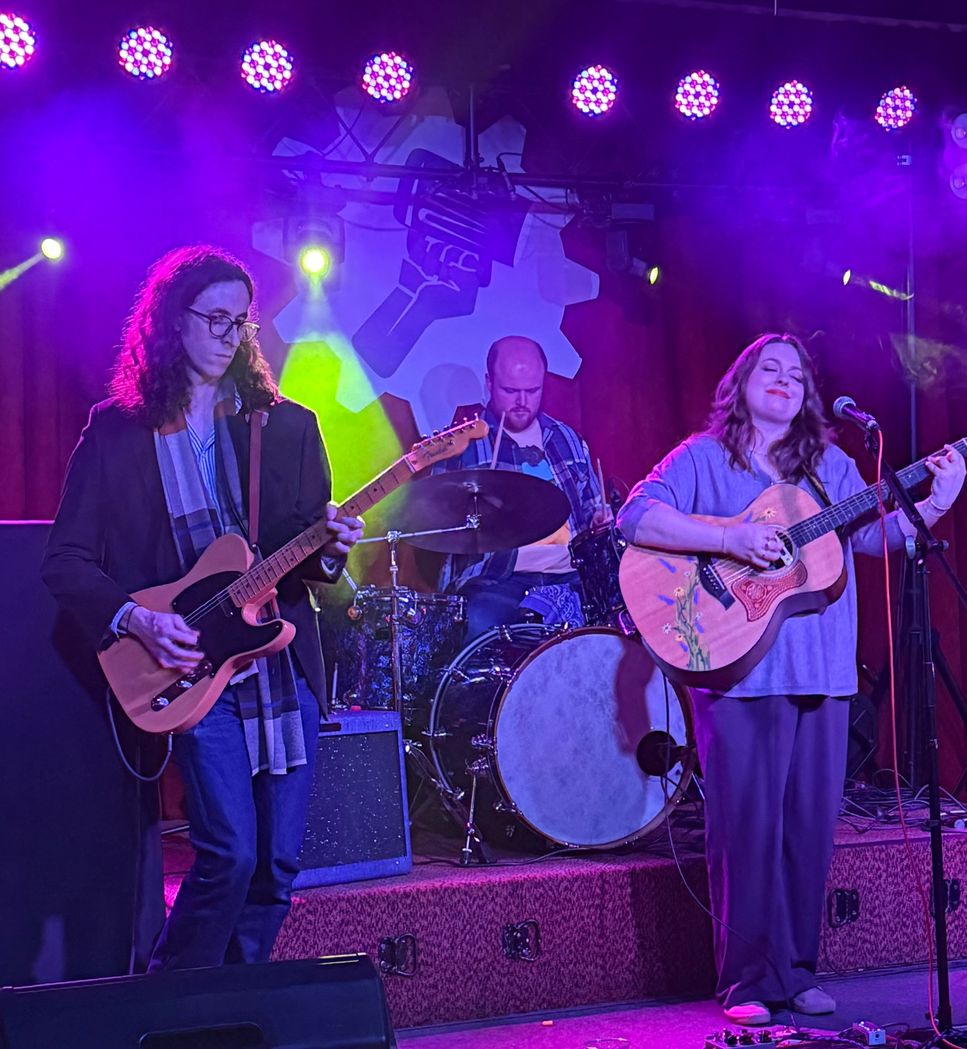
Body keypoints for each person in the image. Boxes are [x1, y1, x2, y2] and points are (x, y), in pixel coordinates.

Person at [618, 333, 966, 1025]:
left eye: (796, 374)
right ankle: (747, 982)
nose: (783, 379)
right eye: (769, 369)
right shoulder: (703, 457)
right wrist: (730, 539)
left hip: (824, 670)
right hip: (738, 670)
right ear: (740, 384)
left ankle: (798, 971)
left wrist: (935, 503)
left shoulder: (832, 466)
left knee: (809, 832)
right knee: (745, 831)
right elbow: (635, 515)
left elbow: (875, 539)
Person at [41, 245, 363, 971]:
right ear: (169, 321)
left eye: (240, 321)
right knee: (230, 853)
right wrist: (138, 619)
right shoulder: (117, 432)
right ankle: (172, 1003)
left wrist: (333, 548)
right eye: (214, 317)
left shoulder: (286, 427)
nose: (229, 334)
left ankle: (236, 1008)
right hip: (189, 663)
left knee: (276, 869)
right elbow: (65, 559)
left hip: (280, 666)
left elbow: (308, 560)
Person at [437, 335, 606, 634]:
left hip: (571, 575)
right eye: (510, 391)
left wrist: (600, 520)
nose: (522, 402)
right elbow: (435, 524)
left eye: (532, 390)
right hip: (497, 580)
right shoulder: (461, 445)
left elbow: (593, 511)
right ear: (489, 383)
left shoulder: (566, 438)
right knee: (476, 624)